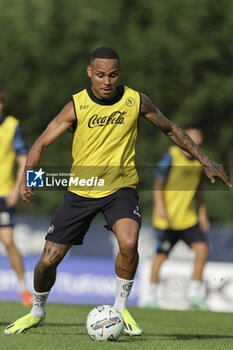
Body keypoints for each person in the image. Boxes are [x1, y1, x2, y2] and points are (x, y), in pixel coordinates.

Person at [4, 47, 231, 335]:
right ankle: (37, 311)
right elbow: (42, 143)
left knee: (128, 242)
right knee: (48, 261)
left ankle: (121, 309)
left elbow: (171, 129)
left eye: (112, 75)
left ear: (118, 73)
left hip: (121, 188)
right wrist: (31, 178)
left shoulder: (136, 100)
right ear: (90, 73)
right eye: (100, 75)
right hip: (81, 190)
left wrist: (206, 160)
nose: (107, 81)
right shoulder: (77, 105)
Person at [147, 124, 211, 310]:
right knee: (160, 256)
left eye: (198, 137)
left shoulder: (201, 160)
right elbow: (157, 183)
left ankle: (194, 295)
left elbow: (199, 187)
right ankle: (151, 297)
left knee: (202, 250)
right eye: (191, 136)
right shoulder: (171, 156)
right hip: (166, 218)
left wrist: (202, 211)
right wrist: (160, 207)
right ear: (183, 137)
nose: (195, 140)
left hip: (187, 218)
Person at [0, 86, 32, 307]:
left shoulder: (13, 126)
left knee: (8, 240)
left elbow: (25, 159)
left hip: (3, 193)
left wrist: (17, 188)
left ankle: (24, 290)